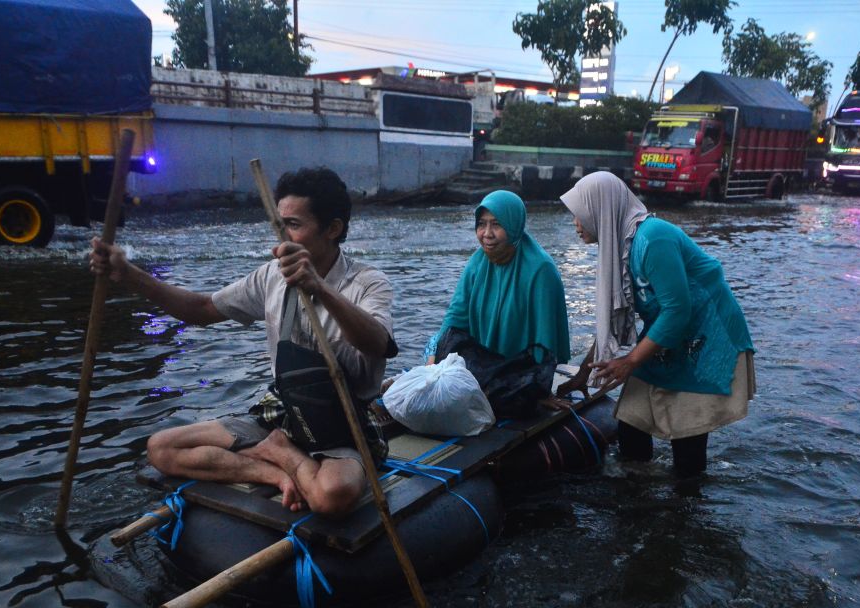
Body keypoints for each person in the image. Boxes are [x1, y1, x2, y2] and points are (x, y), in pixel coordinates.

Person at [88, 167, 397, 517]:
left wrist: (320, 288)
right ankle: (276, 465)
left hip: (343, 423)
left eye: (294, 225)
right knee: (162, 448)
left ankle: (282, 453)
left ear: (333, 229)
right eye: (279, 227)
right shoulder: (272, 275)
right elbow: (202, 309)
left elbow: (377, 343)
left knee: (333, 496)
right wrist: (129, 274)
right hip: (284, 412)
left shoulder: (369, 282)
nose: (281, 241)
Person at [556, 171, 755, 478]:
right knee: (632, 425)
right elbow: (615, 318)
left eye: (580, 215)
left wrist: (631, 361)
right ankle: (638, 501)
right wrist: (584, 373)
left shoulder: (653, 239)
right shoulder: (619, 249)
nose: (576, 224)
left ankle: (683, 511)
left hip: (706, 336)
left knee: (688, 445)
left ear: (602, 212)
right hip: (667, 336)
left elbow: (677, 311)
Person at [425, 190, 570, 368]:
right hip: (483, 365)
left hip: (523, 371)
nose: (487, 234)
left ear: (513, 226)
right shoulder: (477, 263)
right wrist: (435, 355)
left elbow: (545, 341)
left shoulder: (541, 270)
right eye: (481, 224)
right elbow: (455, 317)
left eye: (496, 224)